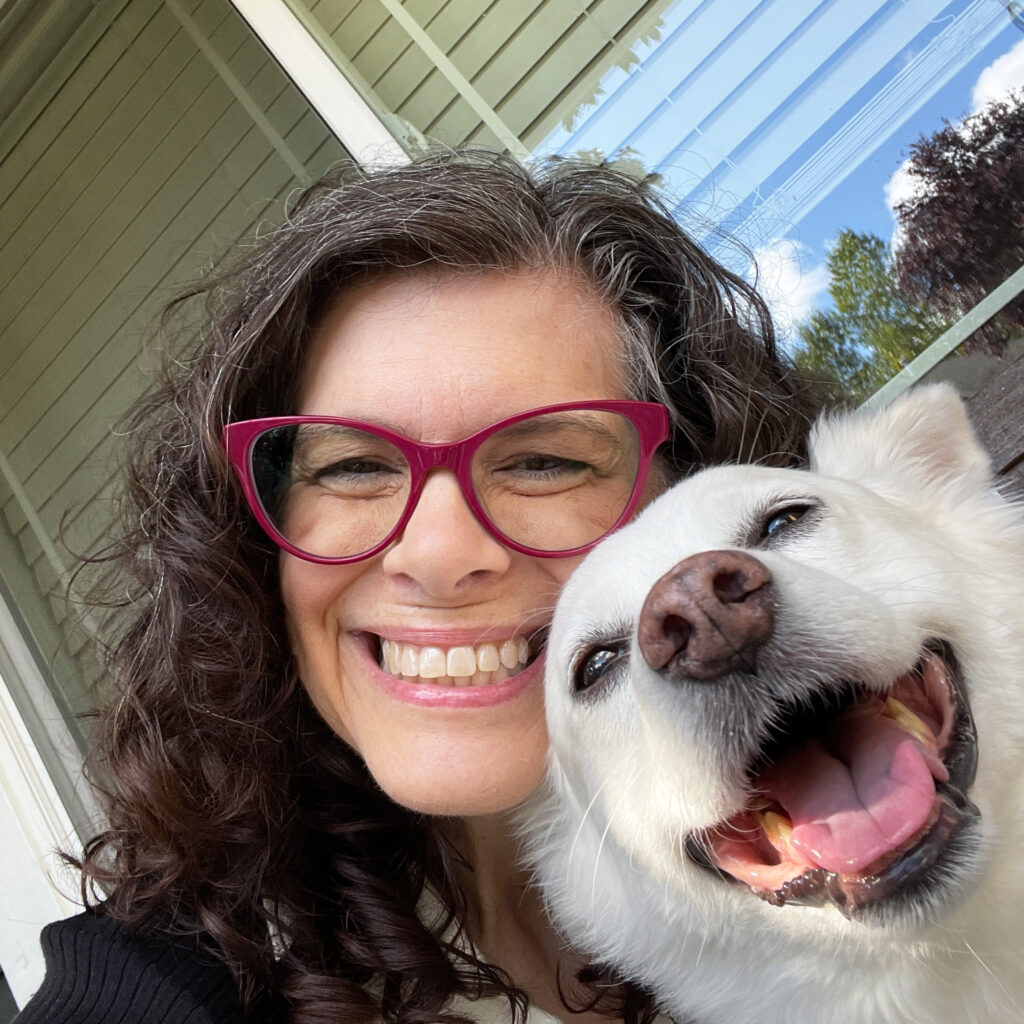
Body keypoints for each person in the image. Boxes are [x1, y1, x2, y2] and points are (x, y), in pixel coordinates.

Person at [15, 150, 816, 1024]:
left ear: (694, 492)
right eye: (353, 466)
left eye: (546, 461)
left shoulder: (874, 824)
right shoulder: (169, 983)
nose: (435, 555)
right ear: (255, 549)